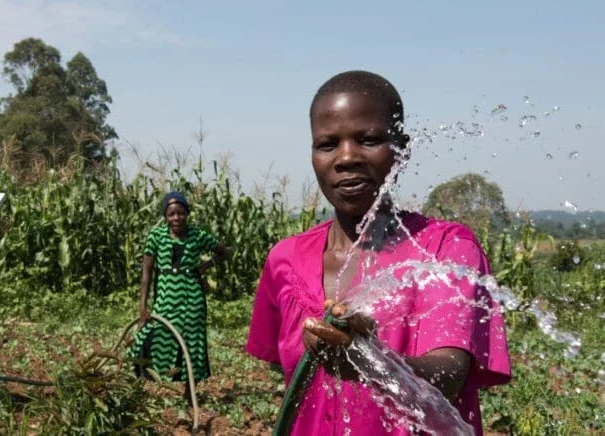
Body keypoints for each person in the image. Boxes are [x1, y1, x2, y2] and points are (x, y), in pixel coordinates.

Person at [246, 71, 511, 435]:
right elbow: (287, 369)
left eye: (368, 140)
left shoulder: (443, 250)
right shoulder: (285, 260)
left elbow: (450, 373)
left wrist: (368, 358)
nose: (347, 157)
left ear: (401, 149)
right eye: (327, 144)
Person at [131, 191, 229, 398]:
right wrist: (143, 307)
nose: (176, 218)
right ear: (165, 216)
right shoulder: (155, 237)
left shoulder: (198, 235)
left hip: (193, 299)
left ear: (187, 213)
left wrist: (205, 266)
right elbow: (146, 273)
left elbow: (224, 252)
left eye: (180, 213)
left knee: (192, 343)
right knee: (150, 337)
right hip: (165, 299)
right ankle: (145, 384)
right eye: (171, 214)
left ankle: (189, 391)